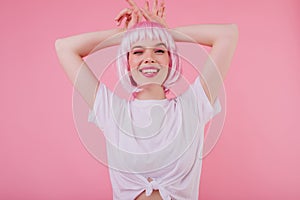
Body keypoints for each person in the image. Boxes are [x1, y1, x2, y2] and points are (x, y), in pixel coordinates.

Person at [55, 0, 238, 199]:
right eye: (138, 51)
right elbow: (64, 47)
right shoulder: (111, 111)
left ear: (171, 60)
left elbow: (227, 35)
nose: (149, 57)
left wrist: (163, 33)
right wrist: (128, 36)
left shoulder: (192, 107)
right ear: (127, 63)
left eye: (159, 50)